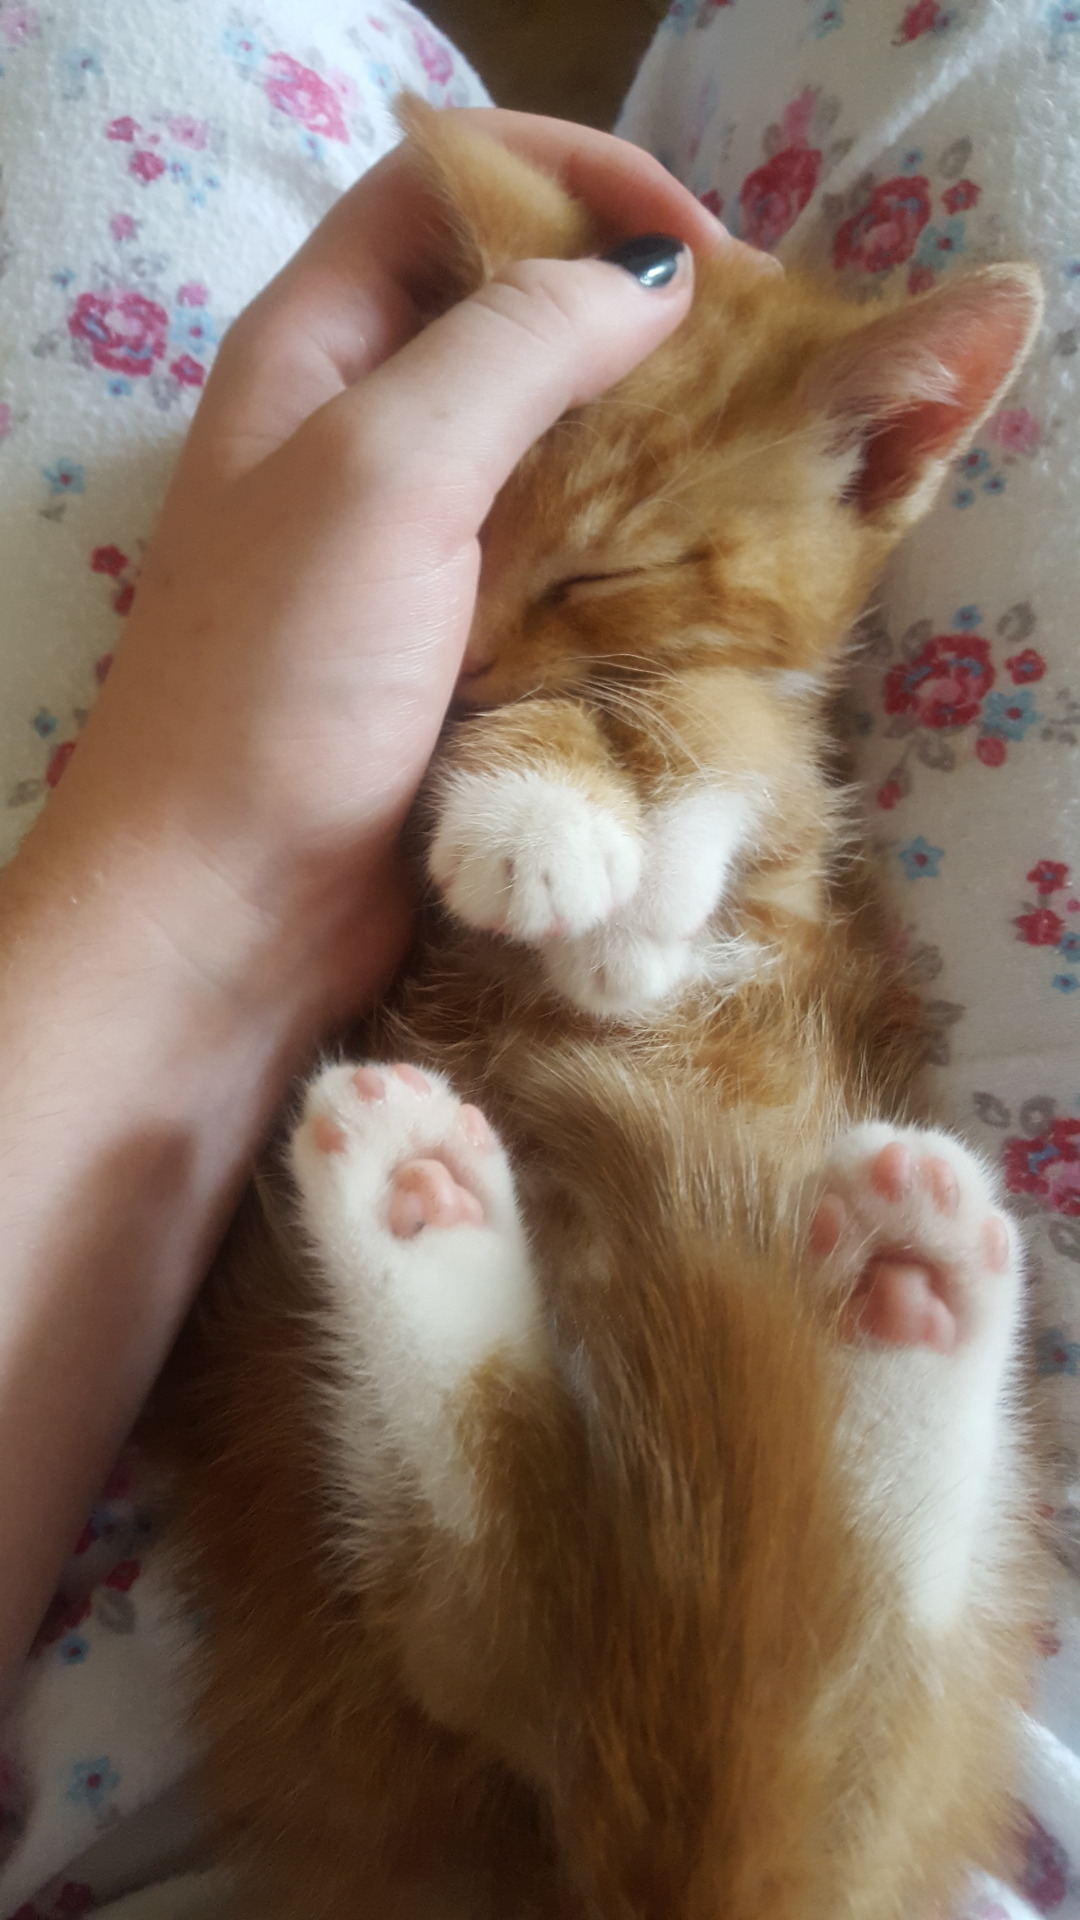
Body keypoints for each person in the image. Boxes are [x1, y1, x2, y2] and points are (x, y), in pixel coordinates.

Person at [0, 2, 1075, 1915]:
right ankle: (876, 1538)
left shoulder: (741, 623)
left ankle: (510, 1543)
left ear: (886, 455)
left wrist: (203, 876)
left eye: (592, 585)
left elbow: (698, 788)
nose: (489, 639)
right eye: (488, 534)